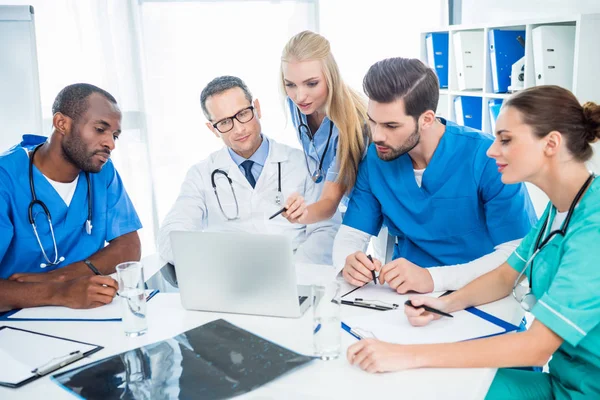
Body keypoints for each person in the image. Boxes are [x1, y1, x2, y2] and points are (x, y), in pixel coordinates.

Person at [346, 85, 600, 399]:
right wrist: (443, 304)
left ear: (551, 143)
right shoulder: (563, 207)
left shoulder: (594, 227)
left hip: (585, 391)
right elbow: (507, 275)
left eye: (506, 140)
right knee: (422, 383)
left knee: (422, 379)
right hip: (563, 382)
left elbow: (536, 348)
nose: (492, 150)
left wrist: (406, 353)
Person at [334, 57, 537, 294]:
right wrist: (348, 261)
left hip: (481, 292)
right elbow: (352, 233)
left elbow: (518, 252)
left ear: (427, 119)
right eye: (372, 122)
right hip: (403, 297)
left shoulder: (487, 157)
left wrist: (433, 278)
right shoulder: (376, 159)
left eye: (391, 126)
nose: (377, 135)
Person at [157, 76, 339, 265]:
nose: (239, 129)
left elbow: (326, 229)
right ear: (213, 129)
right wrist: (217, 266)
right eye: (225, 122)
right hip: (230, 280)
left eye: (243, 114)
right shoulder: (201, 175)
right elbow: (170, 238)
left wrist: (293, 273)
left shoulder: (302, 164)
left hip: (295, 278)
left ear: (257, 108)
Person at [0, 83, 142, 311]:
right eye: (100, 129)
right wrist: (60, 292)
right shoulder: (5, 179)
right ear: (61, 123)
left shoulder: (102, 172)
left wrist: (62, 277)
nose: (111, 144)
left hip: (84, 313)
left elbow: (128, 246)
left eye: (115, 135)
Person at [279, 30, 370, 224]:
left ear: (331, 77)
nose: (300, 96)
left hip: (372, 208)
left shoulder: (355, 124)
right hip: (340, 204)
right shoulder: (296, 106)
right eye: (290, 85)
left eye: (311, 83)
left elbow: (330, 202)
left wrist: (301, 215)